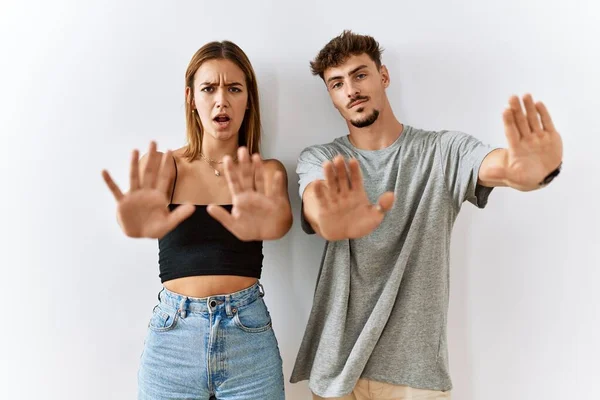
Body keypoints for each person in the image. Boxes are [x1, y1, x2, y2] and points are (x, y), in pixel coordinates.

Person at [291, 30, 563, 400]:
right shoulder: (321, 159)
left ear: (383, 77)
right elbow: (316, 203)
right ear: (332, 96)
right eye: (337, 83)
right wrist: (330, 221)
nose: (351, 89)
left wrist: (533, 171)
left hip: (415, 377)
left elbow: (500, 167)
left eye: (360, 74)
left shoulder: (442, 151)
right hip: (336, 372)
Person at [102, 40, 292, 400]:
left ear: (248, 98)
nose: (222, 100)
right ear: (191, 98)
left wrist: (270, 224)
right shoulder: (165, 166)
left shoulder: (266, 171)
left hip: (247, 336)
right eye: (209, 88)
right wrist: (131, 222)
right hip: (174, 338)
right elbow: (137, 213)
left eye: (234, 88)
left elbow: (280, 220)